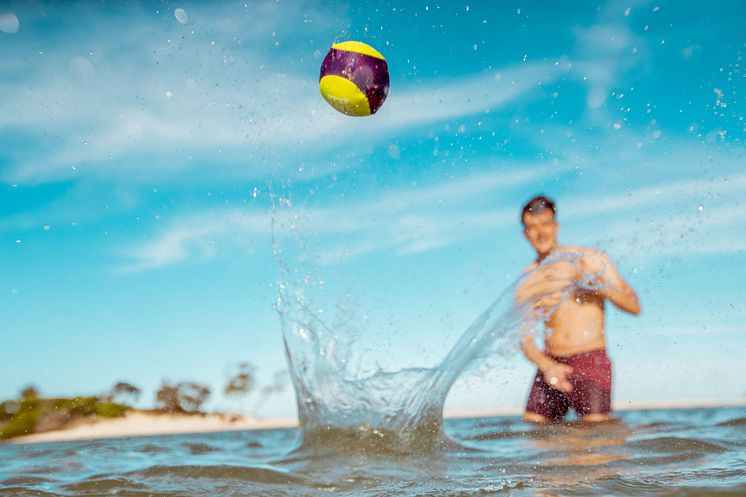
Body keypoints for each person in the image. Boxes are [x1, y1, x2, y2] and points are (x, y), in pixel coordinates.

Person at [515, 195, 640, 422]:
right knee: (532, 429)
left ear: (556, 226)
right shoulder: (527, 281)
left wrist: (599, 286)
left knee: (595, 433)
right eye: (532, 227)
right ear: (525, 233)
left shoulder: (589, 260)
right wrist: (548, 366)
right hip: (551, 363)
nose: (540, 232)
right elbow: (525, 341)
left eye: (545, 224)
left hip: (590, 359)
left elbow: (634, 305)